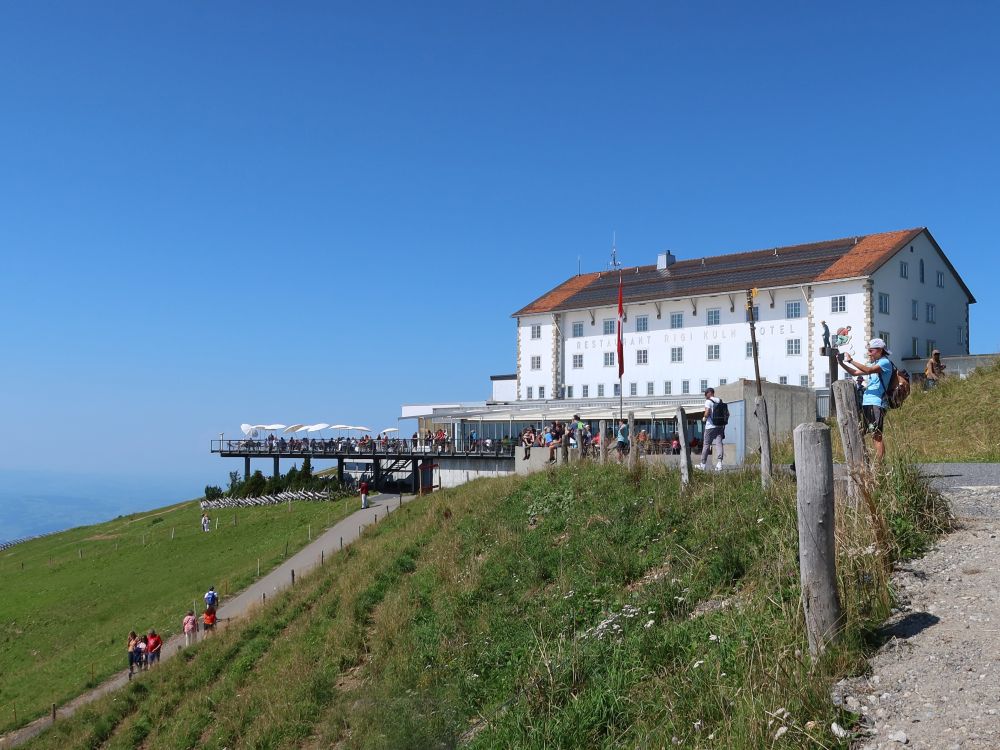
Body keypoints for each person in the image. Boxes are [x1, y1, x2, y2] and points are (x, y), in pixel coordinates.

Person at [839, 337, 893, 463]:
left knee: (876, 436)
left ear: (880, 350)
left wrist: (851, 360)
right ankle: (865, 461)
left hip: (876, 403)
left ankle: (880, 466)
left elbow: (867, 370)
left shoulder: (884, 363)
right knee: (862, 432)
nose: (869, 353)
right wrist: (842, 363)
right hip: (867, 403)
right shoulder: (874, 364)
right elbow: (855, 372)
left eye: (871, 351)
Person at [698, 388, 725, 471]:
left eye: (706, 394)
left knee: (706, 444)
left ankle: (702, 464)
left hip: (710, 426)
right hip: (720, 425)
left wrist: (704, 418)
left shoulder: (708, 401)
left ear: (709, 393)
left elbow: (707, 412)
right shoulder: (720, 401)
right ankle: (719, 464)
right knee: (719, 443)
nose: (705, 396)